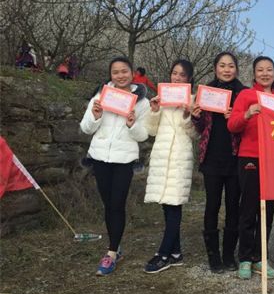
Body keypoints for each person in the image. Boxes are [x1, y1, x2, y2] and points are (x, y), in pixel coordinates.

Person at [80, 57, 150, 276]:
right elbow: (86, 128)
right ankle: (116, 246)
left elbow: (143, 135)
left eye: (124, 71)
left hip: (124, 159)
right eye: (116, 72)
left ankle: (110, 253)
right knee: (108, 204)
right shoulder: (100, 96)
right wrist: (95, 116)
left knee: (117, 204)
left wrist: (132, 124)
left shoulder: (142, 103)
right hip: (100, 157)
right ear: (110, 75)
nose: (120, 76)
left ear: (132, 73)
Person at [228, 56, 274, 279]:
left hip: (273, 159)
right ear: (254, 74)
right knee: (248, 209)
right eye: (260, 70)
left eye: (269, 70)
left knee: (268, 211)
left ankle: (260, 257)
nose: (265, 74)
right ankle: (245, 258)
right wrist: (248, 113)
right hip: (250, 157)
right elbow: (232, 125)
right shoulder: (246, 95)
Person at [192, 52, 246, 273]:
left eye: (231, 66)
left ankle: (229, 255)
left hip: (235, 158)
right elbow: (201, 128)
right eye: (222, 65)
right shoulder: (206, 92)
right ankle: (213, 255)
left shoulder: (244, 94)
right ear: (215, 68)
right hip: (212, 157)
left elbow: (249, 128)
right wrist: (196, 116)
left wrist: (236, 119)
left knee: (234, 207)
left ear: (236, 69)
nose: (226, 70)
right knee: (212, 205)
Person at [143, 59, 198, 274]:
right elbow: (151, 131)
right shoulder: (162, 98)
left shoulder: (193, 100)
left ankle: (163, 254)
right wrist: (155, 111)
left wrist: (187, 115)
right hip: (161, 155)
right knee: (166, 205)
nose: (177, 78)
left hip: (180, 157)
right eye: (174, 73)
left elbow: (195, 134)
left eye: (182, 75)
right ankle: (176, 253)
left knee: (175, 205)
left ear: (189, 79)